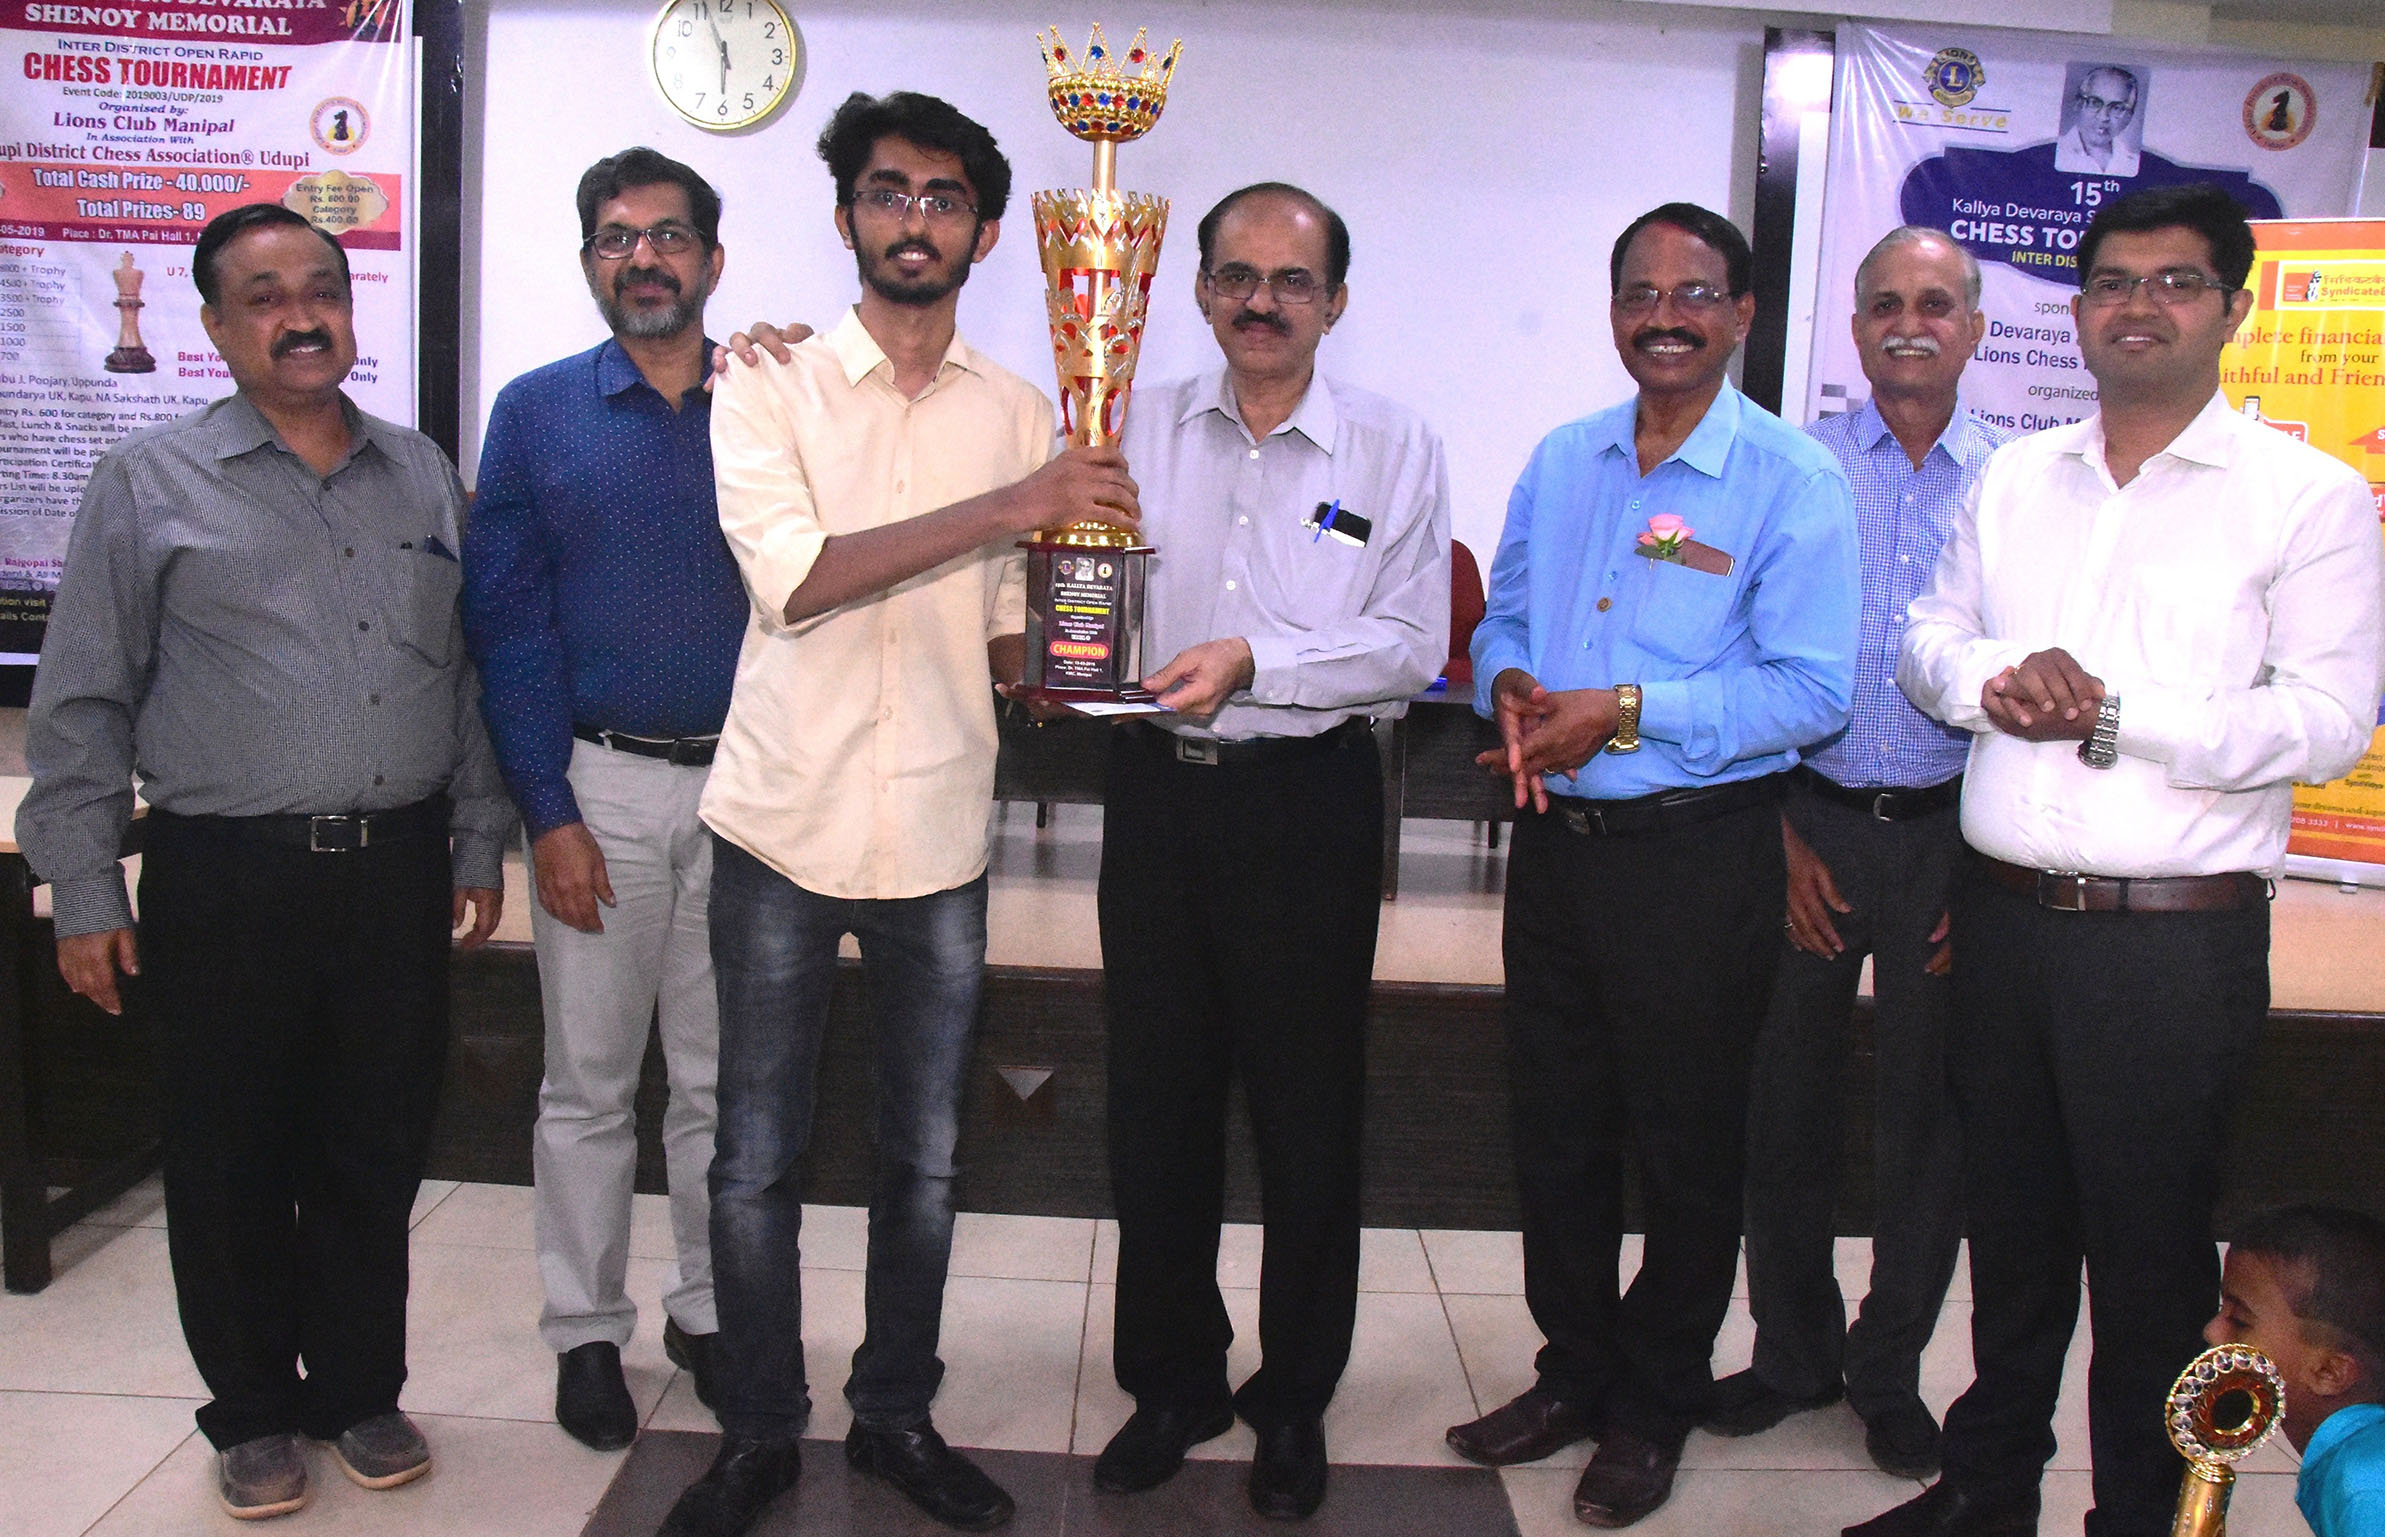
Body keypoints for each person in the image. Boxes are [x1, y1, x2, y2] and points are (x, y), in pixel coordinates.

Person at [1847, 182, 2385, 1537]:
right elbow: (1926, 636)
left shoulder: (2305, 498)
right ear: (2078, 309)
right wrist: (1993, 681)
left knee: (2150, 1271)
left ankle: (2140, 1521)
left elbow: (2329, 720)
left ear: (2233, 309)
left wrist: (2112, 712)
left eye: (2175, 282)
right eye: (2112, 282)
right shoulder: (2017, 477)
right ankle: (1985, 1494)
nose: (2139, 305)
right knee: (2013, 1242)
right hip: (2003, 924)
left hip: (2171, 948)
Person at [654, 91, 1139, 1537]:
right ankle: (758, 1430)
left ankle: (895, 1417)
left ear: (984, 233)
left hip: (935, 827)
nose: (913, 219)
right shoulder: (770, 384)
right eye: (887, 191)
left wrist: (1080, 659)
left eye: (943, 198)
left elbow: (999, 624)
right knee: (756, 1154)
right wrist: (1012, 506)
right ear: (846, 215)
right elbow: (797, 582)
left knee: (924, 1159)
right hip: (781, 822)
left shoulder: (1022, 411)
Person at [16, 202, 510, 1520]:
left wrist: (476, 834)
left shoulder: (419, 474)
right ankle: (250, 1410)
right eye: (266, 296)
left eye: (321, 289)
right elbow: (83, 703)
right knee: (230, 1155)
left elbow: (463, 675)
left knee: (373, 1146)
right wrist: (81, 889)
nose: (301, 316)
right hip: (227, 877)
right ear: (217, 326)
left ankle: (357, 1389)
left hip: (395, 871)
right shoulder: (149, 482)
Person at [1447, 202, 1858, 1529]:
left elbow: (1813, 691)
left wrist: (1621, 712)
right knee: (1557, 1135)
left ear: (1742, 315)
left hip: (1695, 859)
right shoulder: (1564, 458)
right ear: (1613, 308)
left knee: (1685, 1150)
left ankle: (1654, 1399)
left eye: (1694, 293)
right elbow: (1507, 613)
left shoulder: (1792, 481)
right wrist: (1513, 684)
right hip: (1559, 855)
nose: (1664, 316)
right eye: (1640, 292)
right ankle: (1573, 1371)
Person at [1087, 182, 1451, 1522]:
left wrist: (1257, 660)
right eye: (1236, 275)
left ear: (1334, 302)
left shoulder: (1392, 448)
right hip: (1157, 799)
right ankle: (1173, 1379)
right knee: (1156, 1104)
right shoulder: (1125, 424)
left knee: (1307, 1114)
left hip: (1307, 803)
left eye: (1292, 280)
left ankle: (1293, 1395)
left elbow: (1410, 644)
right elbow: (1076, 587)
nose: (1261, 301)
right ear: (1198, 290)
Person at [1707, 227, 2003, 1481]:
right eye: (1885, 303)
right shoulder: (1798, 467)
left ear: (1974, 327)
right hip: (1810, 822)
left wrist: (1990, 874)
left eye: (1935, 303)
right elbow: (1733, 649)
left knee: (1929, 1128)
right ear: (1856, 326)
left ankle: (1887, 1371)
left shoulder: (2022, 482)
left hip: (1955, 841)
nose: (1908, 324)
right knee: (1781, 1106)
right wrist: (1777, 834)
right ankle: (1792, 1354)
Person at [460, 147, 745, 1450]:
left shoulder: (770, 398)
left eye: (669, 235)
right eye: (618, 237)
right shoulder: (535, 412)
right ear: (590, 263)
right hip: (600, 787)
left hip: (748, 793)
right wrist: (548, 811)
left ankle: (710, 1309)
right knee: (587, 1084)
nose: (645, 257)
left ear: (712, 260)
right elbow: (508, 625)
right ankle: (585, 1329)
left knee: (720, 1083)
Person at [2205, 1206, 2385, 1537]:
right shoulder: (2360, 1464)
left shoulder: (2369, 1488)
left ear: (2328, 1372)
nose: (2212, 1332)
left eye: (2239, 1321)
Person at [2055, 66, 2142, 176]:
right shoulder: (2056, 151)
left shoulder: (2133, 163)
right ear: (2079, 104)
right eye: (2094, 103)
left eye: (2116, 108)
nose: (2103, 117)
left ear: (2130, 116)